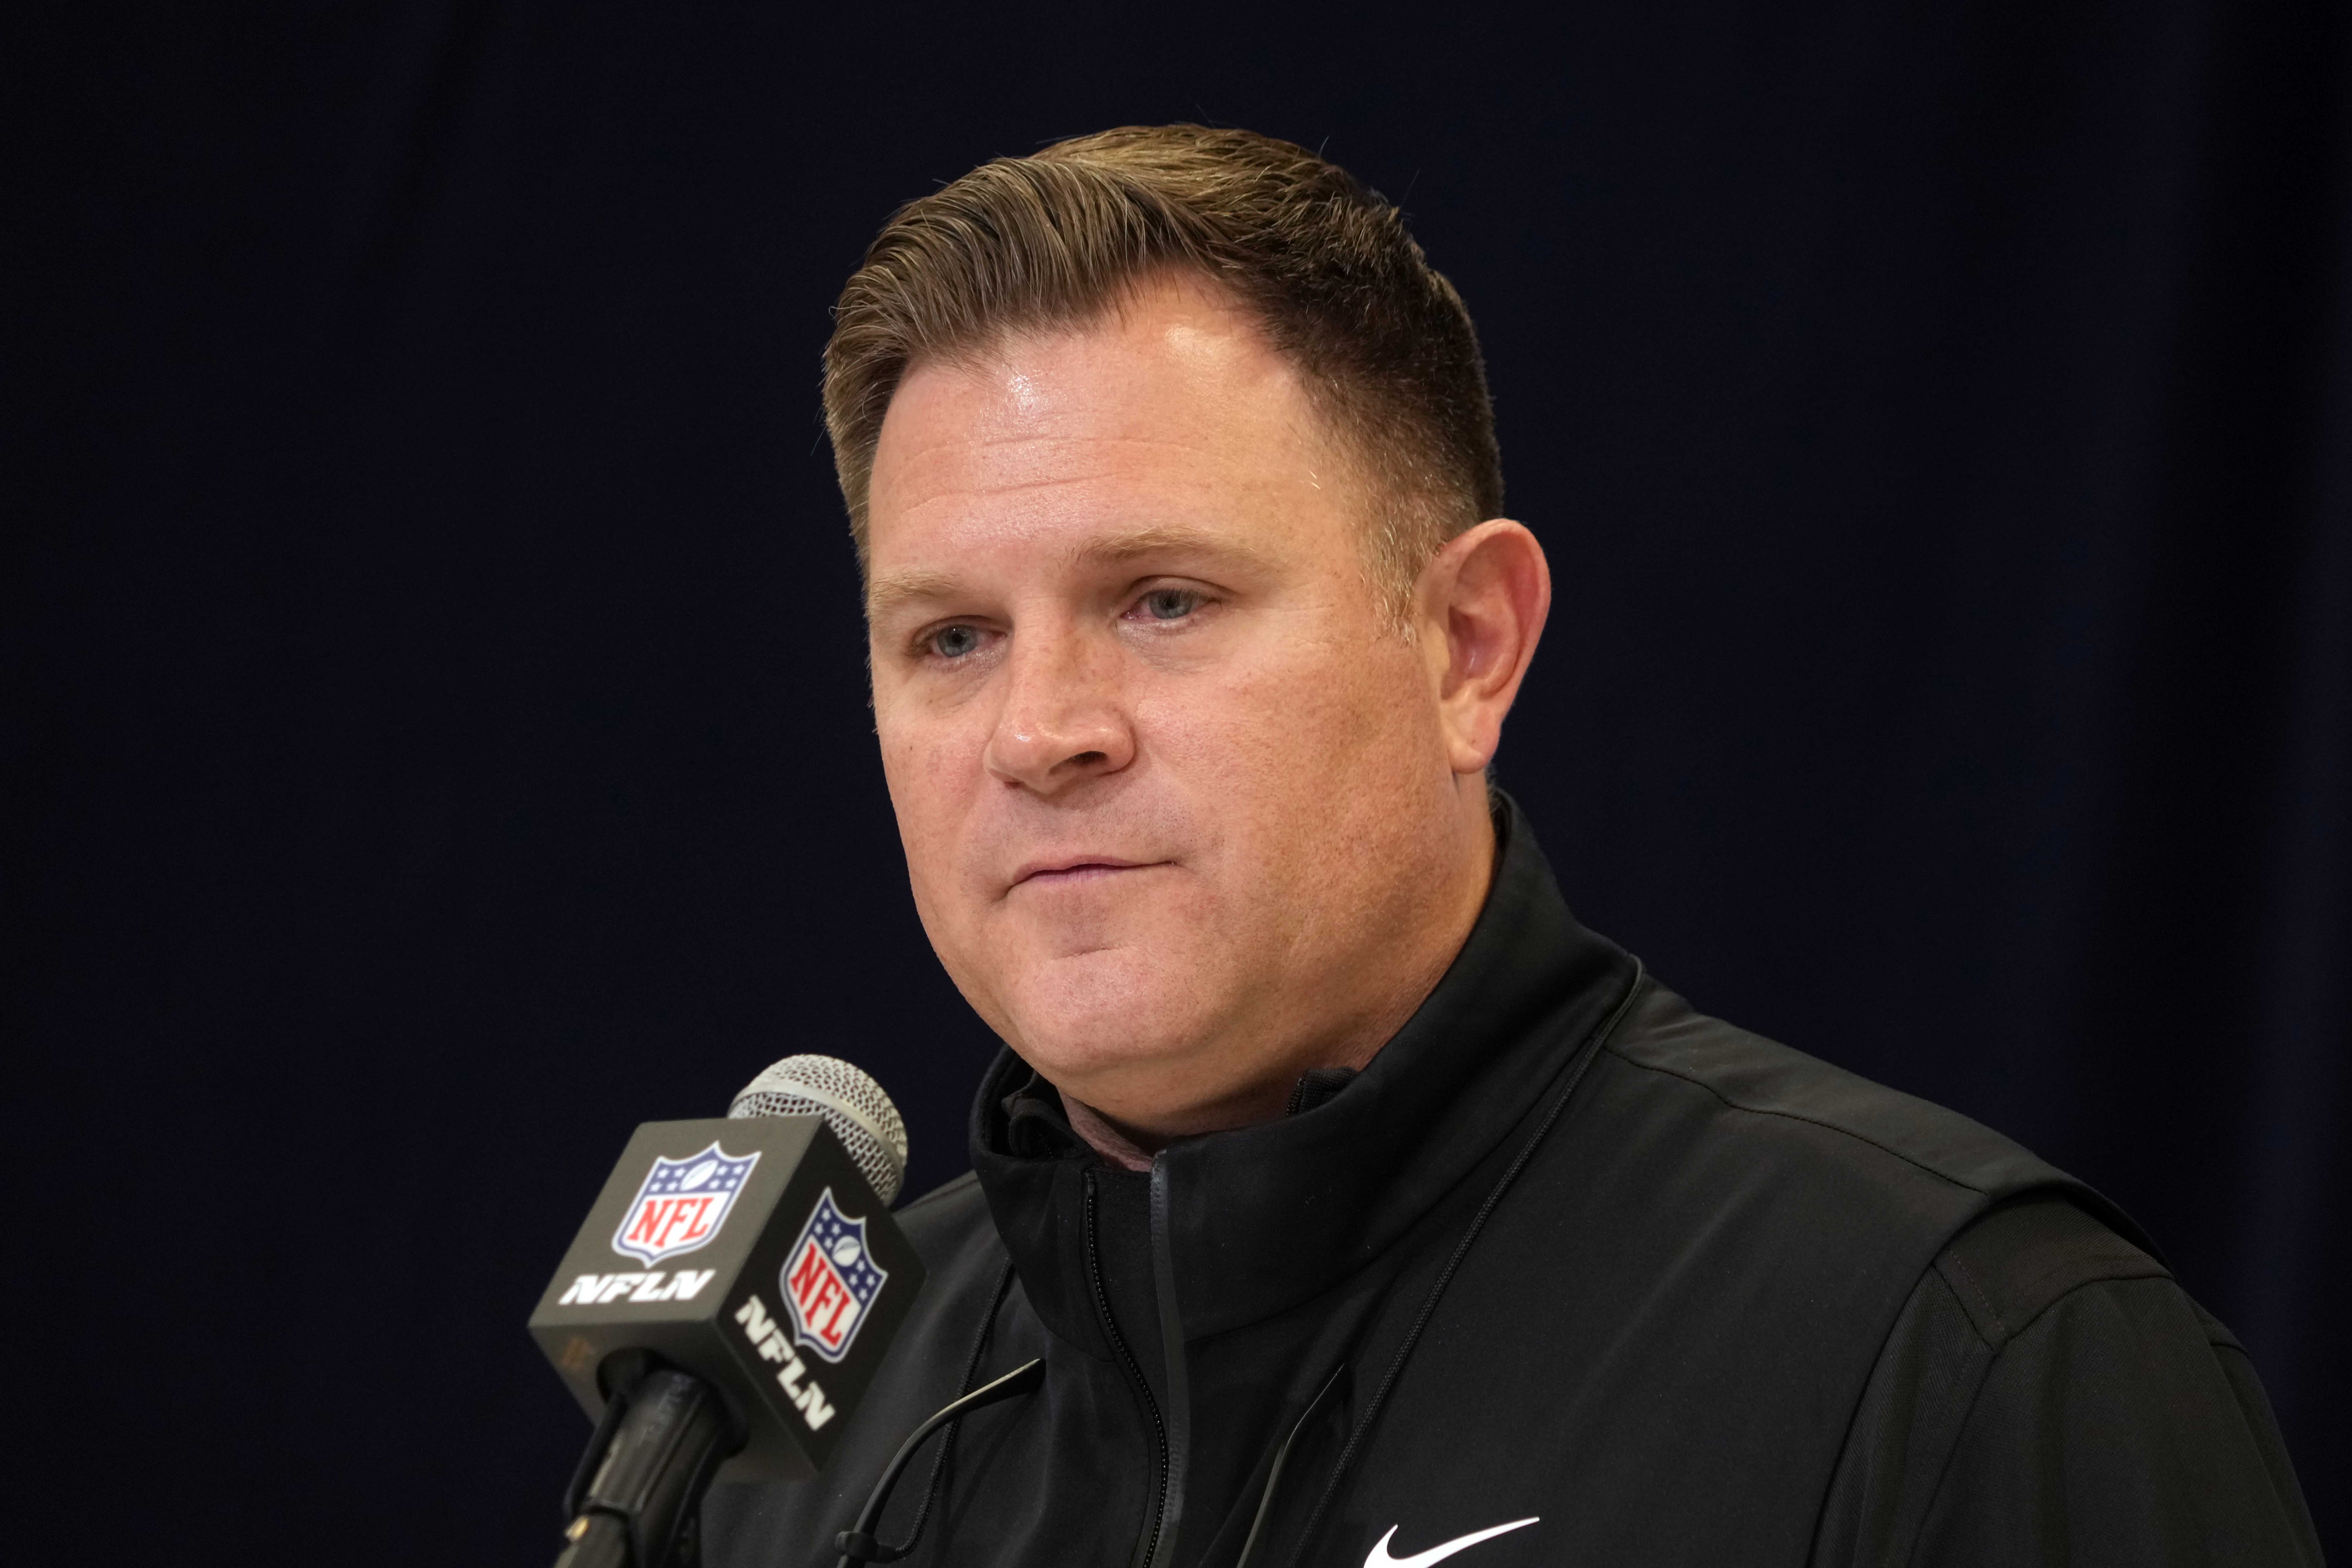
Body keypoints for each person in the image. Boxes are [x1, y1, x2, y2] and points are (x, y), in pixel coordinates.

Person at [706, 126, 2320, 1568]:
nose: (1039, 728)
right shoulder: (774, 1431)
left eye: (1164, 600)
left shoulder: (1958, 1355)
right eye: (951, 638)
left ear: (1467, 644)